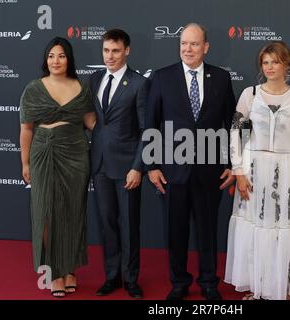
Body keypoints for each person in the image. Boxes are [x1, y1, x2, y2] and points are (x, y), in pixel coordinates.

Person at [144, 23, 236, 300]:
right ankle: (179, 283)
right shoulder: (162, 77)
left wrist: (233, 163)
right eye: (184, 43)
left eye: (194, 44)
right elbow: (151, 123)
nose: (188, 49)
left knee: (208, 231)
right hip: (172, 171)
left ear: (205, 47)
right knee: (176, 231)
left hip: (211, 171)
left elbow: (233, 123)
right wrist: (152, 166)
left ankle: (209, 283)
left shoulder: (221, 78)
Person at [224, 41, 290, 300]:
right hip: (253, 169)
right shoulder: (250, 94)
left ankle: (280, 287)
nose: (270, 67)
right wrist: (238, 171)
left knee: (283, 228)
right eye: (265, 62)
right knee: (255, 226)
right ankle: (257, 286)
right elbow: (236, 135)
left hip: (288, 171)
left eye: (275, 61)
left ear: (286, 63)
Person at [19, 37, 96, 298]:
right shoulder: (33, 88)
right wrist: (25, 162)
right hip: (43, 154)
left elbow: (91, 122)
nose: (56, 61)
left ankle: (70, 269)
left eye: (61, 56)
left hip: (76, 153)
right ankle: (54, 271)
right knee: (46, 214)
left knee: (74, 212)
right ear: (46, 60)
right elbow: (26, 129)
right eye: (51, 55)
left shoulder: (82, 88)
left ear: (69, 59)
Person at [90, 29, 149, 299]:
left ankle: (131, 278)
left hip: (127, 168)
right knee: (107, 224)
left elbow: (147, 130)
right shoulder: (94, 79)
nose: (110, 56)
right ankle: (112, 276)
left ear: (127, 51)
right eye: (106, 50)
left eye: (115, 50)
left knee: (129, 223)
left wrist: (138, 167)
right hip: (100, 164)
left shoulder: (138, 83)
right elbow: (95, 119)